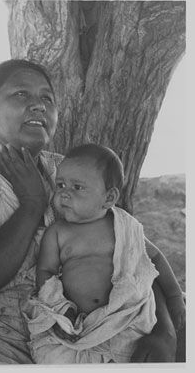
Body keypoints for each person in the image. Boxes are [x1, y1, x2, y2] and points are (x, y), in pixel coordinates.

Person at [0, 59, 177, 365]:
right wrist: (31, 202)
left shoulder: (69, 174)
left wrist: (164, 331)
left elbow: (132, 254)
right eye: (21, 95)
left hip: (72, 342)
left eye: (47, 98)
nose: (38, 106)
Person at [23, 143, 185, 364]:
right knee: (55, 356)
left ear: (109, 198)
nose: (64, 194)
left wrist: (175, 296)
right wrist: (60, 311)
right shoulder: (58, 233)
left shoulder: (124, 226)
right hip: (76, 323)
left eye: (77, 187)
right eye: (60, 185)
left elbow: (153, 258)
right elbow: (46, 272)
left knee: (137, 356)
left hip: (125, 318)